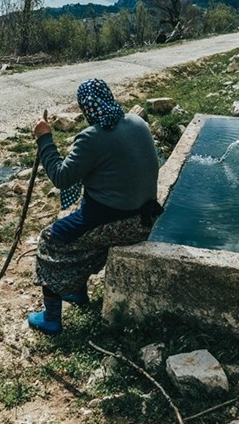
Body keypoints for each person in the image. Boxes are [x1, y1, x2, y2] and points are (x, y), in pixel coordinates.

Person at [27, 78, 162, 336]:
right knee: (79, 225)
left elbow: (61, 177)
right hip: (147, 216)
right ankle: (76, 291)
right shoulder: (137, 122)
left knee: (50, 238)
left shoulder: (93, 137)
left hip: (119, 222)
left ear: (86, 107)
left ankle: (51, 318)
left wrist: (44, 140)